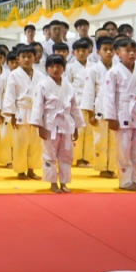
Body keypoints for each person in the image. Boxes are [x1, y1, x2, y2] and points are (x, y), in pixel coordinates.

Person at [100, 37, 136, 191]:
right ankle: (125, 181)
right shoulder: (113, 72)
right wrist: (111, 117)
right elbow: (109, 96)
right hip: (123, 114)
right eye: (127, 50)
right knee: (124, 149)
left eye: (134, 50)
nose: (132, 53)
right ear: (118, 52)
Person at [31, 55, 84, 193]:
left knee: (66, 155)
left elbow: (74, 107)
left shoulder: (68, 85)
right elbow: (38, 106)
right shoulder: (42, 85)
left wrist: (76, 126)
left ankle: (64, 182)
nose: (55, 69)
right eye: (52, 66)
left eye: (59, 66)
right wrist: (39, 126)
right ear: (47, 68)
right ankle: (53, 182)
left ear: (63, 69)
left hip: (66, 125)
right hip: (49, 125)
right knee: (49, 155)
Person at [2, 44, 43, 181]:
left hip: (36, 112)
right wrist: (11, 114)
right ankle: (21, 171)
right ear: (18, 59)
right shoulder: (14, 75)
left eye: (29, 57)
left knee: (35, 143)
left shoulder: (40, 75)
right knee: (20, 144)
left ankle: (31, 169)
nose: (26, 59)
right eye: (23, 57)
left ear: (35, 58)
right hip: (20, 112)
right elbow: (10, 95)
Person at [83, 36, 117, 177]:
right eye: (105, 49)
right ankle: (102, 168)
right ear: (98, 52)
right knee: (100, 140)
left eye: (111, 50)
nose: (108, 52)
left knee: (115, 141)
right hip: (100, 110)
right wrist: (90, 114)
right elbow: (89, 92)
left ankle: (112, 167)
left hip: (115, 110)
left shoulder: (118, 68)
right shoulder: (93, 70)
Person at [67, 38, 94, 166]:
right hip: (76, 102)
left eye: (84, 50)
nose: (81, 53)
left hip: (91, 103)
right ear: (74, 53)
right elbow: (67, 86)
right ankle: (76, 158)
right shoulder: (70, 67)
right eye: (78, 51)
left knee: (90, 132)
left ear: (89, 51)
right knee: (78, 131)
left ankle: (86, 158)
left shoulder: (94, 66)